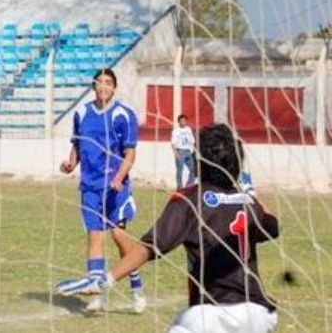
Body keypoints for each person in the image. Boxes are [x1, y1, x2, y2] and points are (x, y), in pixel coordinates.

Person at [59, 123, 279, 333]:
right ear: (238, 164)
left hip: (210, 316)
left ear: (197, 160)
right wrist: (245, 190)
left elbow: (148, 247)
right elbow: (273, 226)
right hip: (257, 314)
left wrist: (104, 280)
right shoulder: (249, 202)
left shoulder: (189, 200)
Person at [54, 68, 146, 314]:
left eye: (108, 82)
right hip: (90, 188)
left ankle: (137, 286)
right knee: (95, 236)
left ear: (114, 87)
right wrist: (70, 163)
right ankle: (97, 298)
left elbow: (130, 153)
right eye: (99, 82)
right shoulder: (82, 113)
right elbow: (77, 145)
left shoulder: (123, 115)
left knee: (118, 237)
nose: (103, 86)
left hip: (116, 187)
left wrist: (119, 177)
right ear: (93, 86)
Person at [171, 114, 196, 189]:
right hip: (180, 151)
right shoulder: (176, 131)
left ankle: (189, 184)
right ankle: (179, 187)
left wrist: (193, 150)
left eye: (185, 121)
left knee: (193, 168)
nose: (183, 122)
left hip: (188, 151)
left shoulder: (188, 129)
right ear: (179, 122)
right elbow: (173, 143)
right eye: (182, 121)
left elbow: (192, 141)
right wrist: (176, 153)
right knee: (180, 171)